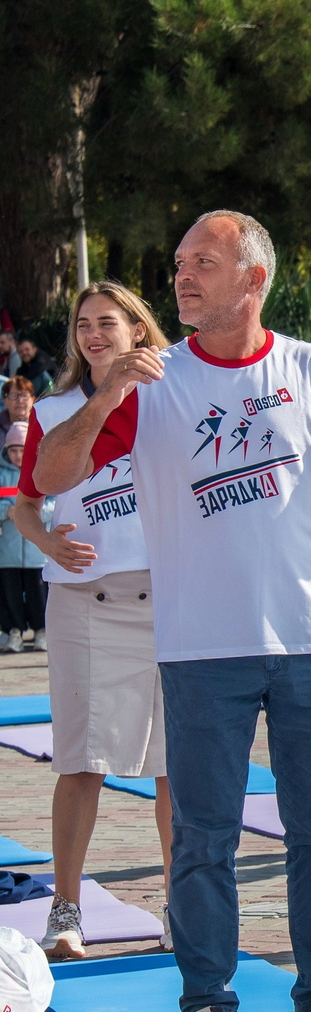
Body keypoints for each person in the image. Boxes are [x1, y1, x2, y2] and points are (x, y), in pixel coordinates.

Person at [29, 208, 311, 1012]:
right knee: (204, 838)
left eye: (203, 261)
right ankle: (209, 1011)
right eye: (177, 261)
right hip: (201, 647)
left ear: (255, 279)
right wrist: (103, 396)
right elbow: (49, 476)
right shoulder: (151, 382)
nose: (182, 275)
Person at [18, 283, 174, 960]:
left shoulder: (176, 397)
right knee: (81, 763)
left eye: (107, 322)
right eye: (83, 324)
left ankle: (182, 906)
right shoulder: (55, 407)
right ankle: (65, 910)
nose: (93, 334)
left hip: (173, 601)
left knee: (181, 769)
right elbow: (29, 500)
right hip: (85, 602)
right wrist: (47, 542)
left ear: (139, 329)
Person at [0, 424, 42, 652]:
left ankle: (41, 631)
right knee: (10, 593)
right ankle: (13, 631)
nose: (18, 455)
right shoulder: (2, 475)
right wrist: (6, 511)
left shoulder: (40, 471)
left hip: (36, 553)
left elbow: (54, 504)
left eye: (22, 450)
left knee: (39, 593)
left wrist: (33, 513)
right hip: (8, 551)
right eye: (13, 450)